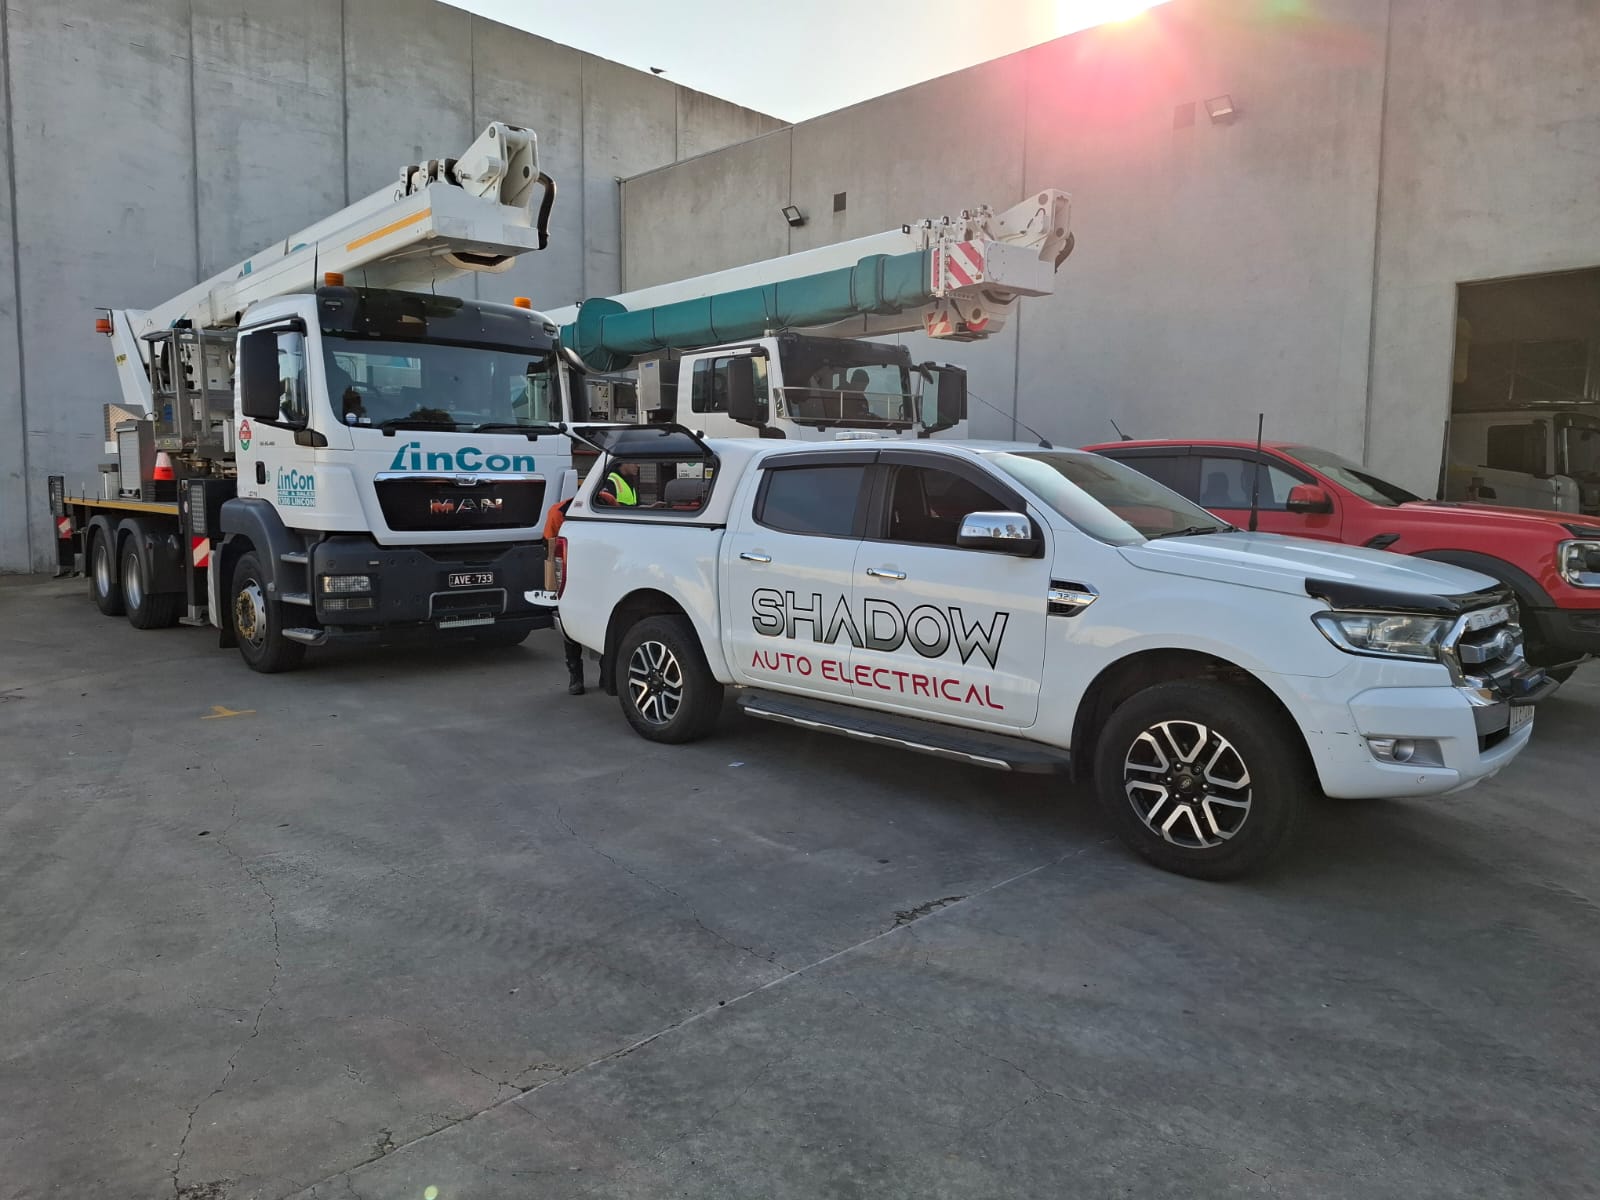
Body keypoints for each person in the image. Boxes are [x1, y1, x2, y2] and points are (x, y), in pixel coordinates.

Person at [544, 496, 587, 695]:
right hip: (572, 577)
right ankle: (577, 676)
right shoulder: (559, 512)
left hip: (581, 576)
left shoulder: (558, 510)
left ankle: (577, 678)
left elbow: (548, 542)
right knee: (571, 628)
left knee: (571, 628)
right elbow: (551, 544)